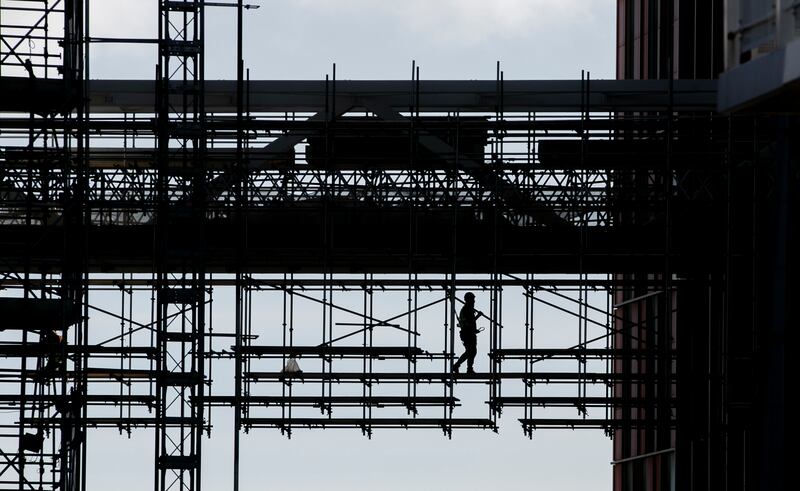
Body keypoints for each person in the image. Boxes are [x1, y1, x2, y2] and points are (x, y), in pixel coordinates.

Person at [452, 292, 482, 374]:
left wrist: (474, 330)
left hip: (469, 333)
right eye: (472, 299)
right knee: (470, 351)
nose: (474, 301)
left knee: (472, 351)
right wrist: (478, 316)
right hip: (467, 334)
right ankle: (459, 366)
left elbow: (468, 323)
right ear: (468, 300)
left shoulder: (468, 309)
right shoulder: (466, 309)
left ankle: (467, 368)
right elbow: (469, 321)